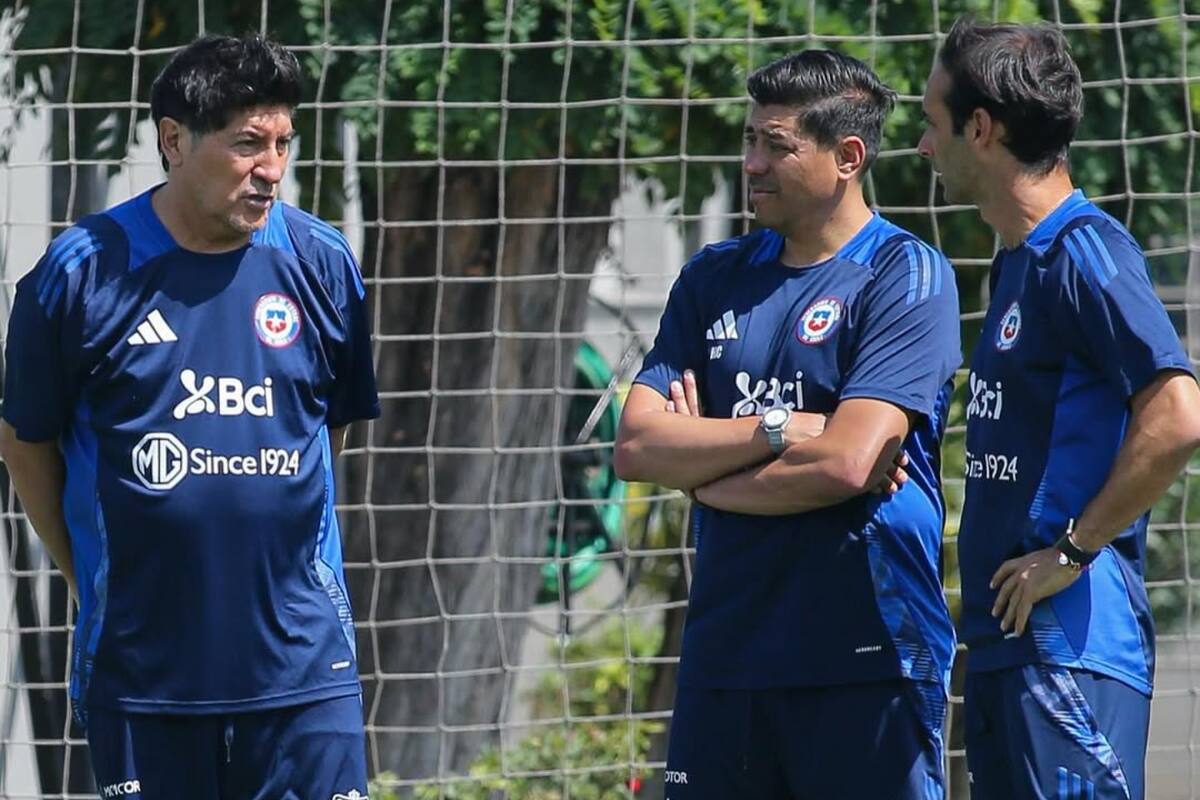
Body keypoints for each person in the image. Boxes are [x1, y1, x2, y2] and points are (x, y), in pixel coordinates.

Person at [0, 34, 379, 798]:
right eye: (246, 145)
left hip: (305, 671)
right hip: (146, 675)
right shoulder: (78, 275)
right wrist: (87, 572)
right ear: (174, 140)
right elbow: (23, 441)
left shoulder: (322, 263)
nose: (270, 168)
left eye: (281, 144)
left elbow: (325, 430)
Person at [615, 49, 961, 799]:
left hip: (865, 654)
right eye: (749, 141)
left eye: (776, 145)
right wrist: (777, 428)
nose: (752, 164)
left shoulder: (906, 274)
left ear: (847, 157)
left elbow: (846, 464)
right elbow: (638, 446)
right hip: (726, 655)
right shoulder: (714, 275)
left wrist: (703, 478)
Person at [918, 17, 1200, 800]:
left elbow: (1178, 413)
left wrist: (1072, 550)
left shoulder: (1087, 250)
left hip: (1072, 647)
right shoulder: (1016, 263)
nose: (921, 146)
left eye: (931, 124)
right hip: (1014, 646)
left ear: (981, 128)